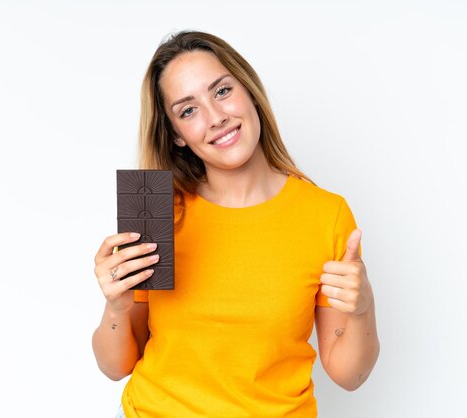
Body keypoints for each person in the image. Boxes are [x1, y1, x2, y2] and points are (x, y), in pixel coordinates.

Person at [92, 30, 379, 418]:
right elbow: (115, 367)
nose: (216, 118)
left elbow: (349, 374)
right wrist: (116, 308)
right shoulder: (158, 211)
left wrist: (362, 309)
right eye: (188, 110)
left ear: (248, 90)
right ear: (176, 134)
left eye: (222, 91)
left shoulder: (325, 214)